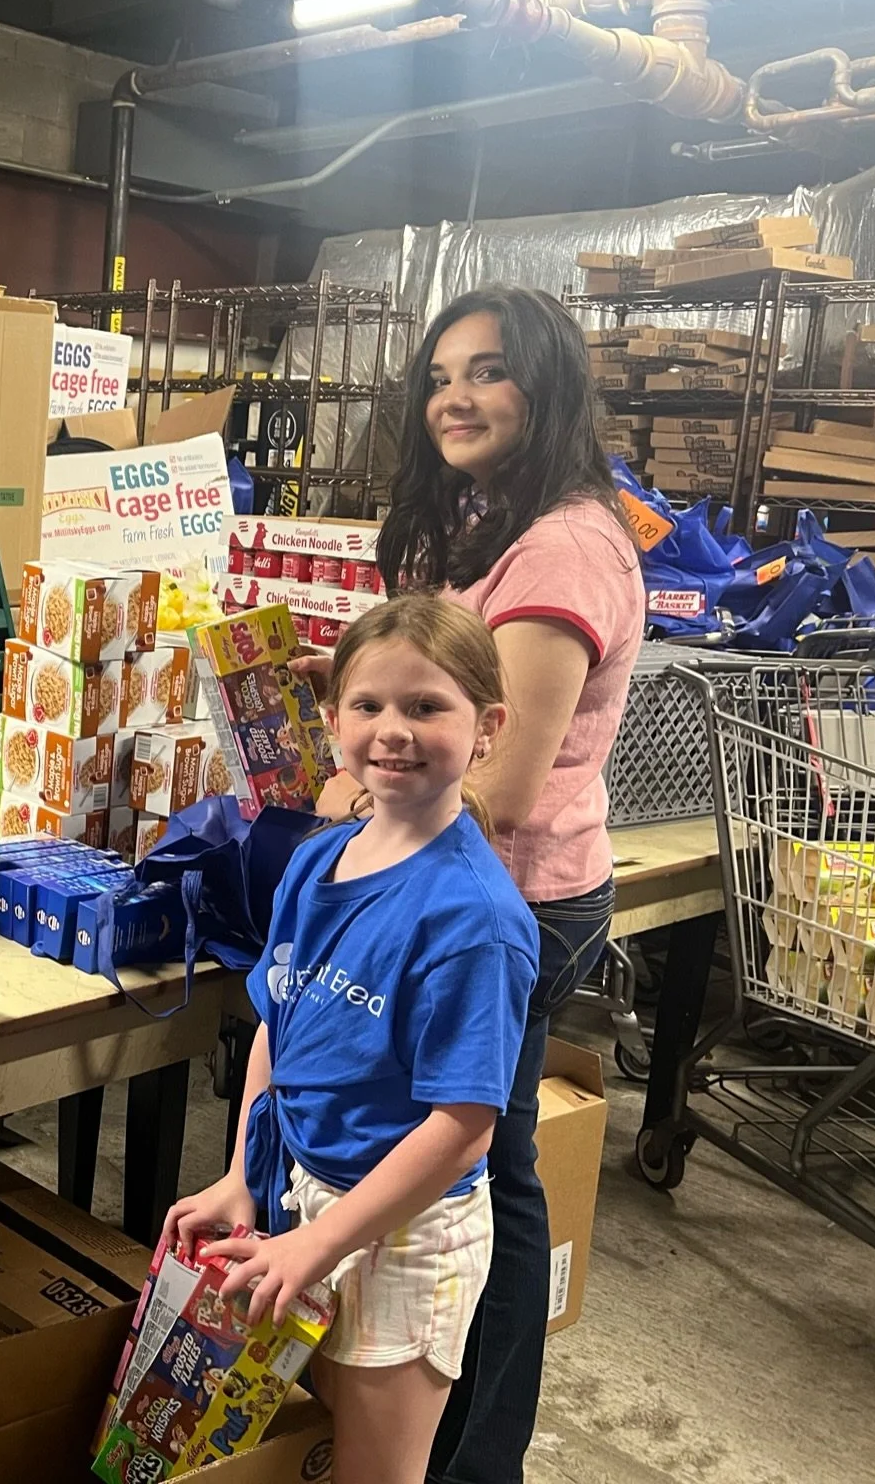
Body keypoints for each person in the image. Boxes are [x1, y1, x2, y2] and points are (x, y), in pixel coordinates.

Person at [296, 285, 643, 1483]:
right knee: (469, 1167)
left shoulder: (561, 549)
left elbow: (498, 788)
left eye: (488, 371)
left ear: (544, 388)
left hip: (508, 901)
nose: (456, 396)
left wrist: (348, 793)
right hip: (447, 885)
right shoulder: (493, 523)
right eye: (441, 375)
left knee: (480, 1175)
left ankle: (475, 1451)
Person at [164, 595, 539, 1484]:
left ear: (485, 728)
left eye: (425, 707)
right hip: (303, 1201)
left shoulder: (474, 920)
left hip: (404, 1237)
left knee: (377, 1469)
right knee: (318, 1438)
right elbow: (277, 1029)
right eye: (367, 705)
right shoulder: (314, 859)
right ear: (330, 717)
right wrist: (240, 1179)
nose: (392, 731)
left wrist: (319, 1246)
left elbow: (462, 1129)